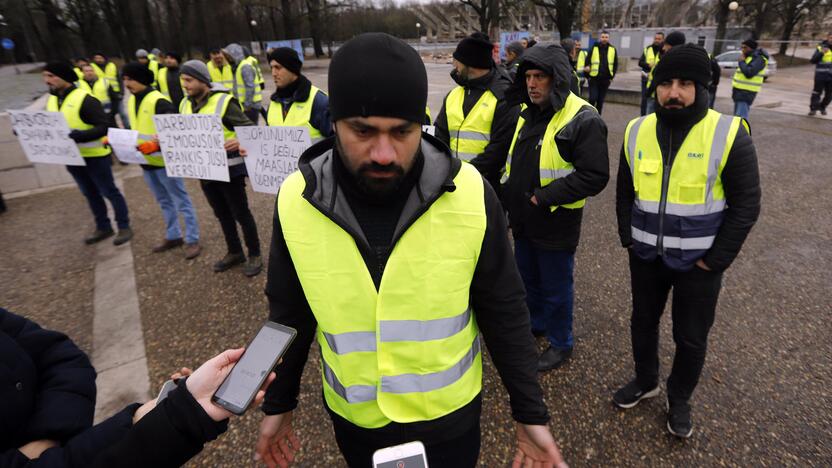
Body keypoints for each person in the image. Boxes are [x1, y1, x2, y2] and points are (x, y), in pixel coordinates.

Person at [256, 32, 567, 468]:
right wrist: (278, 404)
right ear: (335, 124)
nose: (384, 153)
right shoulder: (295, 199)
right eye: (362, 131)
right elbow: (289, 313)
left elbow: (505, 308)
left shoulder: (471, 194)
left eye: (402, 132)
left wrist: (529, 411)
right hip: (355, 422)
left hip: (449, 422)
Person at [614, 44, 761, 438]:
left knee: (690, 338)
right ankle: (647, 381)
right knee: (642, 323)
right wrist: (628, 238)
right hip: (646, 256)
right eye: (665, 83)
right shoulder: (636, 128)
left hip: (700, 263)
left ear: (702, 87)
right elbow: (625, 191)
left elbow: (746, 205)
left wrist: (715, 261)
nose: (672, 92)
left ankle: (679, 399)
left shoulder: (729, 133)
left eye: (684, 84)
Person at [501, 45, 609, 371]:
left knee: (556, 287)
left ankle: (561, 343)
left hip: (555, 221)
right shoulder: (528, 112)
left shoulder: (582, 118)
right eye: (529, 77)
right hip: (523, 218)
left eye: (540, 77)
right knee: (528, 278)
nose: (532, 84)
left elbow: (595, 175)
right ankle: (538, 324)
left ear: (557, 79)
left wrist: (544, 196)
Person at [179, 60, 263, 276]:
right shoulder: (184, 104)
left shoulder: (224, 102)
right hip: (205, 171)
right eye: (183, 80)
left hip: (230, 171)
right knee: (222, 214)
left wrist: (238, 139)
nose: (185, 85)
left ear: (202, 80)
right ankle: (235, 251)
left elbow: (250, 129)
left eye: (189, 80)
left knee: (241, 213)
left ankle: (254, 254)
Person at [43, 61, 133, 245]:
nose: (47, 81)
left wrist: (81, 136)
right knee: (89, 193)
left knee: (109, 191)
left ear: (65, 78)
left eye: (51, 76)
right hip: (72, 158)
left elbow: (105, 126)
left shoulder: (85, 99)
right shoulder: (52, 99)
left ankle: (124, 226)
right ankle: (103, 227)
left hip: (95, 157)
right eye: (45, 76)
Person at [122, 62, 202, 259]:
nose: (126, 84)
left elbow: (176, 134)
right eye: (124, 79)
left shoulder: (159, 102)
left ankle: (192, 239)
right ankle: (173, 235)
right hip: (146, 163)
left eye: (129, 79)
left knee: (181, 201)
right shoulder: (132, 101)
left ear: (140, 79)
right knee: (164, 201)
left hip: (165, 164)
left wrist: (157, 145)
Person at [434, 32, 519, 197]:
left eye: (457, 60)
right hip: (452, 184)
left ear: (470, 63)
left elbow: (500, 148)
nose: (454, 65)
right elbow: (440, 136)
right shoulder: (454, 95)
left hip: (488, 187)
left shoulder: (503, 96)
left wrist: (466, 174)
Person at [263, 47, 332, 140]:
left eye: (278, 67)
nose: (273, 73)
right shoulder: (273, 104)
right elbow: (267, 142)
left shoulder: (319, 101)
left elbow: (337, 143)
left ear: (292, 69)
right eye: (272, 67)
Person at [645, 31, 685, 115]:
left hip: (659, 97)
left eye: (666, 45)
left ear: (671, 46)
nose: (663, 48)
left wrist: (648, 92)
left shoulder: (668, 62)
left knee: (650, 118)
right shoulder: (684, 60)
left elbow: (657, 78)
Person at [224, 43, 263, 124]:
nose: (227, 58)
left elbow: (250, 87)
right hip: (245, 105)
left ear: (235, 54)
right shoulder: (238, 66)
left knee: (251, 131)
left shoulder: (245, 67)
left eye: (229, 56)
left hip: (251, 106)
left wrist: (247, 105)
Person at [731, 39, 769, 119]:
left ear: (751, 48)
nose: (742, 50)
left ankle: (742, 131)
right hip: (739, 92)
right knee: (737, 118)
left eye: (745, 47)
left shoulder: (759, 59)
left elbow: (749, 73)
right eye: (742, 47)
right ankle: (737, 131)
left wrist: (741, 62)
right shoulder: (749, 58)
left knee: (741, 118)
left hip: (746, 93)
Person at [585, 31, 618, 114]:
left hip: (606, 79)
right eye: (603, 37)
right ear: (600, 38)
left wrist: (611, 77)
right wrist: (587, 75)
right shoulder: (594, 47)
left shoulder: (613, 49)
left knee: (600, 101)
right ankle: (589, 114)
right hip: (594, 78)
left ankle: (598, 117)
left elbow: (615, 64)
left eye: (606, 37)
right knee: (592, 98)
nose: (604, 39)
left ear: (608, 38)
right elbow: (587, 61)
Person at [91, 53, 125, 125]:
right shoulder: (92, 67)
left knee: (122, 114)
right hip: (103, 95)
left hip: (116, 93)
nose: (98, 60)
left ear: (104, 58)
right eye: (96, 58)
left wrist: (122, 92)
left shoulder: (112, 65)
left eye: (100, 58)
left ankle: (128, 128)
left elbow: (119, 79)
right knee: (109, 116)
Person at [639, 32, 664, 116]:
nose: (657, 40)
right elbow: (640, 62)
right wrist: (648, 65)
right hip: (646, 78)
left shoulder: (663, 51)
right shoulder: (648, 49)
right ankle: (642, 117)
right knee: (644, 100)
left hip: (657, 79)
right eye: (655, 38)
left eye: (659, 39)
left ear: (663, 40)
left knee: (655, 101)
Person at [808, 34, 832, 116]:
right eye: (831, 37)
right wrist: (821, 53)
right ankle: (813, 109)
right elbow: (813, 61)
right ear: (828, 38)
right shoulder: (821, 47)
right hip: (820, 75)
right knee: (816, 93)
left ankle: (822, 107)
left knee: (829, 95)